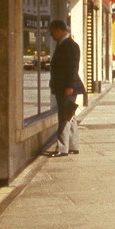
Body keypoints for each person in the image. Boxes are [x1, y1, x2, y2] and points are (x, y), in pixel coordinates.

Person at [45, 19, 86, 157]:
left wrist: (69, 86)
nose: (51, 35)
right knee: (70, 115)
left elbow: (73, 68)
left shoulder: (70, 45)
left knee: (64, 116)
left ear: (59, 30)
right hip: (63, 87)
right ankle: (73, 146)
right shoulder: (62, 44)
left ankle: (62, 148)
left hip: (67, 88)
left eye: (52, 32)